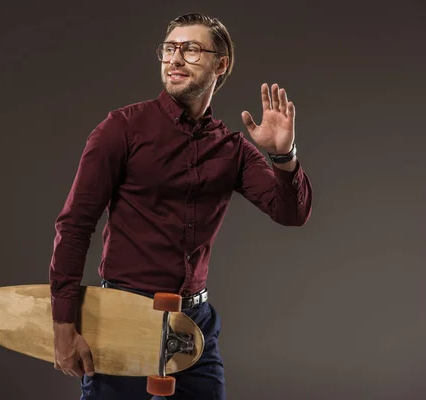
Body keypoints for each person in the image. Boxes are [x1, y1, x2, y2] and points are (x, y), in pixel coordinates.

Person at [48, 12, 313, 400]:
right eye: (169, 49)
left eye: (190, 50)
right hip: (123, 316)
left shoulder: (233, 149)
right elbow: (74, 225)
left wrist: (284, 156)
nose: (174, 59)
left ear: (221, 65)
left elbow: (291, 214)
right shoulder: (121, 129)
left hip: (195, 324)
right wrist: (63, 324)